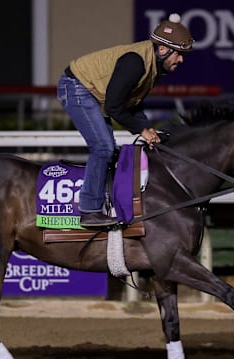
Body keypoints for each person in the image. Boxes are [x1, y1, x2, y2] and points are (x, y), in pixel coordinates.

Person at [57, 13, 194, 228]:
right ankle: (89, 211)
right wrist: (141, 129)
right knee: (103, 147)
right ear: (163, 49)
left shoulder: (153, 67)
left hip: (94, 93)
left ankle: (108, 202)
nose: (181, 60)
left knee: (110, 149)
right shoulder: (135, 62)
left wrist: (147, 128)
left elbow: (131, 103)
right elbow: (113, 107)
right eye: (179, 54)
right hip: (76, 87)